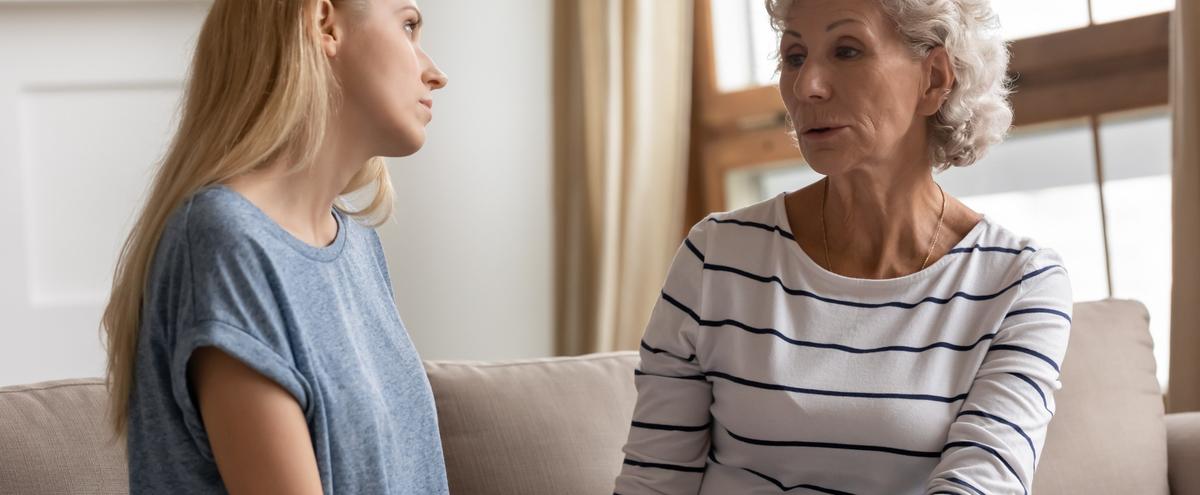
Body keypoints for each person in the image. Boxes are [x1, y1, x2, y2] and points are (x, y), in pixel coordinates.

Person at [614, 0, 1071, 493]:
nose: (808, 86)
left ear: (935, 78)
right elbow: (653, 483)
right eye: (794, 56)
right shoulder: (717, 256)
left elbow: (983, 485)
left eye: (847, 51)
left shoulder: (1020, 283)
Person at [101, 0, 448, 493]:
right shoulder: (227, 242)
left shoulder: (358, 248)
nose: (436, 74)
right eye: (408, 25)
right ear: (325, 23)